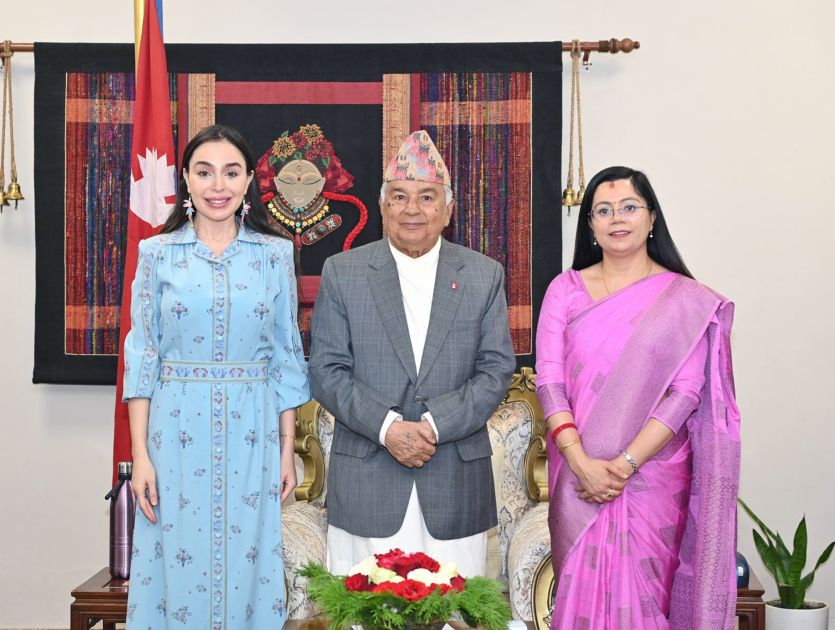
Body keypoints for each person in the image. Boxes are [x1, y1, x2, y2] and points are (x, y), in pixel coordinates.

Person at [123, 124, 310, 629]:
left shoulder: (274, 255)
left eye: (231, 172)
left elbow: (286, 357)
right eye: (204, 173)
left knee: (249, 558)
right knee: (175, 558)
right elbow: (143, 357)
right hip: (175, 431)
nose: (218, 186)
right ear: (186, 178)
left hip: (253, 430)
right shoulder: (158, 254)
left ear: (249, 181)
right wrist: (140, 456)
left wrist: (286, 448)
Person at [535, 166, 740, 629]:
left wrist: (625, 465)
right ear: (590, 224)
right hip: (578, 479)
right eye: (603, 210)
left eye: (629, 207)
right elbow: (549, 382)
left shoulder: (683, 299)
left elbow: (685, 393)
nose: (617, 219)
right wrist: (582, 463)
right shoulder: (565, 290)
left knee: (647, 600)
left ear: (651, 218)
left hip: (652, 480)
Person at [308, 130, 516, 577]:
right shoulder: (343, 273)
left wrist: (432, 426)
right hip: (368, 481)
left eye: (426, 197)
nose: (412, 210)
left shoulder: (483, 275)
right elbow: (326, 370)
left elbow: (496, 370)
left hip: (455, 483)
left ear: (448, 209)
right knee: (364, 608)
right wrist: (388, 429)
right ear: (383, 207)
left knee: (456, 608)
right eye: (399, 197)